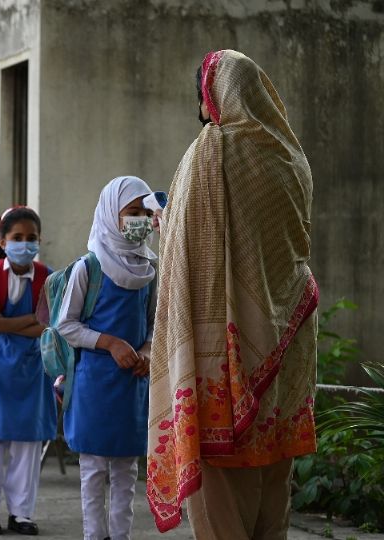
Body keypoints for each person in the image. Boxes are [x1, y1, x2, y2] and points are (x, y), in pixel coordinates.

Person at [146, 50, 319, 540]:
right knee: (272, 502)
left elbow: (190, 250)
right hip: (285, 353)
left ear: (213, 95)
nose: (204, 112)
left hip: (225, 357)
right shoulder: (291, 156)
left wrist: (168, 225)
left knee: (222, 507)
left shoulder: (214, 150)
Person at [57, 176, 157, 540]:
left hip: (132, 384)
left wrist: (146, 350)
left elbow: (154, 324)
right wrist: (111, 343)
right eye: (132, 212)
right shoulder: (89, 268)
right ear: (109, 214)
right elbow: (65, 325)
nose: (141, 220)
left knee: (127, 472)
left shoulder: (149, 270)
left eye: (146, 213)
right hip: (95, 384)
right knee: (94, 471)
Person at [0, 207, 56, 536]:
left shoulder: (48, 276)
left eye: (31, 238)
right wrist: (30, 321)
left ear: (39, 240)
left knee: (28, 443)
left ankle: (21, 512)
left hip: (32, 366)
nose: (24, 244)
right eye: (17, 238)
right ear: (2, 242)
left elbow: (50, 326)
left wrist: (8, 323)